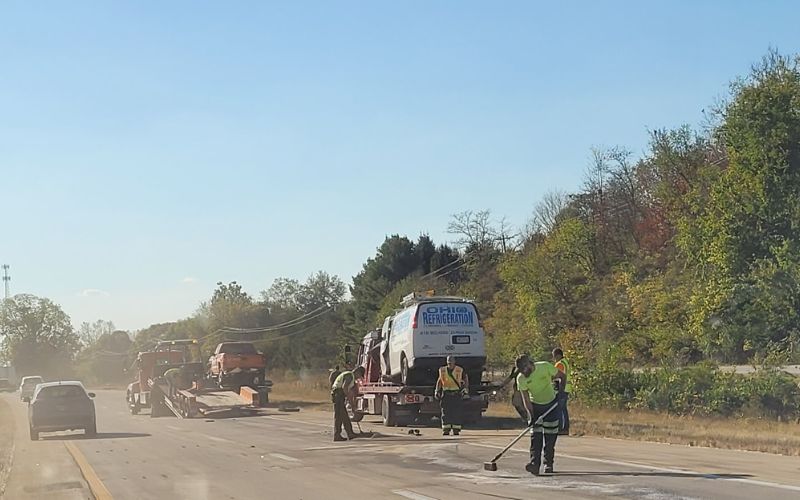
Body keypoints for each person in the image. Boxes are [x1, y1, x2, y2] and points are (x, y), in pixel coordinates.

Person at [516, 355, 566, 475]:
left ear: (529, 364)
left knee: (550, 437)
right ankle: (534, 464)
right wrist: (531, 415)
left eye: (524, 368)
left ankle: (548, 463)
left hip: (551, 405)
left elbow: (562, 376)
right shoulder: (521, 379)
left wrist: (561, 393)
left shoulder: (544, 367)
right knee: (535, 437)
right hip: (535, 407)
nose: (523, 372)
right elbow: (526, 399)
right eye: (521, 370)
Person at [435, 355, 469, 436]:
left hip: (456, 394)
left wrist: (466, 389)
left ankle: (456, 429)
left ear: (454, 362)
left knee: (456, 412)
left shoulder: (459, 370)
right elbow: (439, 381)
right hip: (446, 394)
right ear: (447, 362)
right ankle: (446, 429)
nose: (450, 364)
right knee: (445, 412)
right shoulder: (442, 370)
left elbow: (465, 378)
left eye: (451, 362)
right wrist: (437, 390)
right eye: (449, 363)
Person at [331, 366, 366, 442]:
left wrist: (352, 403)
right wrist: (351, 402)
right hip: (338, 394)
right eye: (360, 376)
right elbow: (344, 388)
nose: (358, 378)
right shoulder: (349, 376)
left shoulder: (350, 377)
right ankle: (340, 435)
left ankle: (349, 433)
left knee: (343, 416)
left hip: (338, 395)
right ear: (358, 372)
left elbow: (351, 392)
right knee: (340, 416)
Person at [552, 348, 571, 435]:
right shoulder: (565, 362)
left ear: (558, 355)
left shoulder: (560, 364)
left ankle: (561, 428)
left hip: (562, 388)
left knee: (559, 409)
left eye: (554, 356)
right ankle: (565, 428)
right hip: (566, 388)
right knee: (563, 409)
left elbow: (556, 376)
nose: (554, 358)